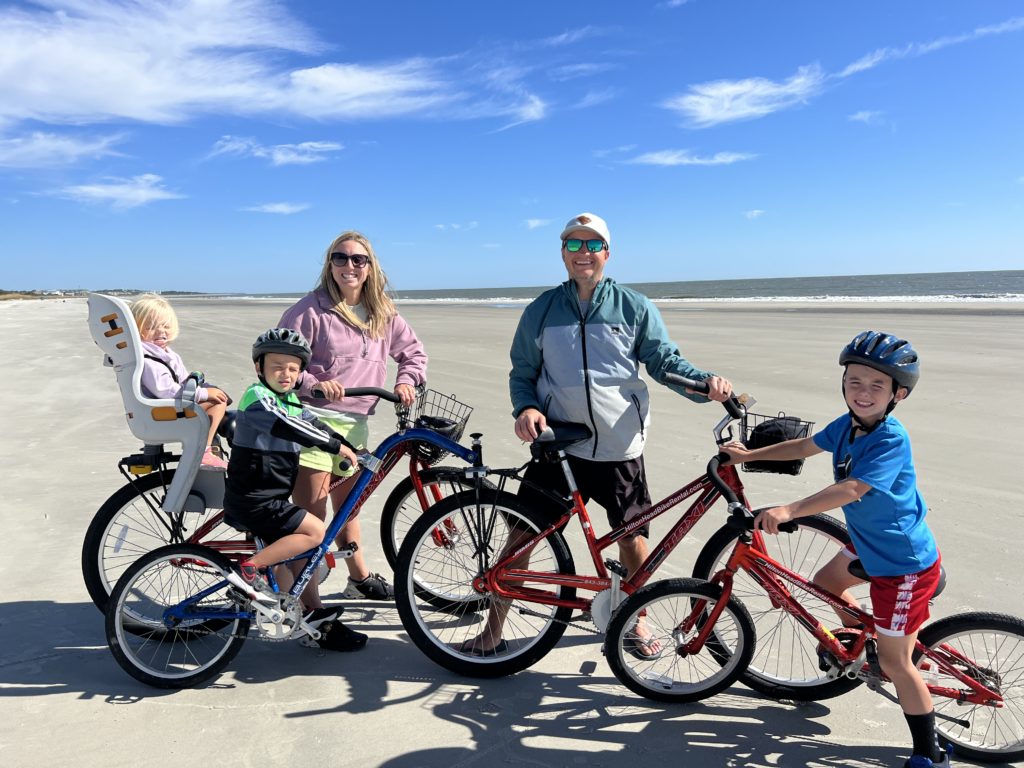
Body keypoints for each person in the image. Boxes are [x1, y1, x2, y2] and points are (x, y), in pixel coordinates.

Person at [461, 211, 734, 656]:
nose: (583, 253)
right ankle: (494, 628)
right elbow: (523, 372)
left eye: (592, 245)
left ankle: (636, 622)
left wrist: (707, 385)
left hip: (619, 443)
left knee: (631, 535)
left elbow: (664, 362)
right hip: (559, 446)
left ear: (607, 252)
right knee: (522, 534)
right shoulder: (542, 310)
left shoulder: (633, 306)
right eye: (573, 245)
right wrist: (526, 407)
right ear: (563, 254)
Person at [721, 331, 947, 768]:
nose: (863, 393)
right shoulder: (847, 426)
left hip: (902, 565)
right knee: (825, 584)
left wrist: (791, 509)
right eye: (855, 382)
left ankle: (930, 753)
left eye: (876, 386)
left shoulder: (889, 439)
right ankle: (863, 644)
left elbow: (851, 488)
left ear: (898, 394)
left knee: (899, 666)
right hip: (869, 547)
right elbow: (804, 446)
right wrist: (747, 456)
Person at [279, 230, 427, 601]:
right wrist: (314, 382)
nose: (349, 265)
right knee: (310, 520)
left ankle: (359, 580)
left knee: (348, 507)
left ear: (369, 266)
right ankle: (310, 606)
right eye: (340, 258)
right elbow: (281, 362)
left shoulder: (382, 311)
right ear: (329, 264)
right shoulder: (310, 310)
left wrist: (407, 381)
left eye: (358, 259)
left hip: (356, 425)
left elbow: (413, 354)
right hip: (311, 421)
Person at [223, 328, 367, 652]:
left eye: (292, 368)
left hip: (270, 498)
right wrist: (332, 446)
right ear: (258, 367)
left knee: (305, 552)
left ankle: (313, 618)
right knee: (316, 532)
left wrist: (346, 446)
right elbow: (287, 425)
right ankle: (247, 572)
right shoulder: (257, 398)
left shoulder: (288, 399)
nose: (285, 374)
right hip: (253, 500)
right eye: (277, 366)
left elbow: (313, 422)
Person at [131, 293, 229, 470]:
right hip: (161, 411)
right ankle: (204, 452)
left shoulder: (166, 354)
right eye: (152, 326)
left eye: (166, 326)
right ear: (136, 329)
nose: (161, 331)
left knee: (215, 394)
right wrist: (204, 394)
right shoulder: (148, 360)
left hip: (166, 407)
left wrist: (203, 388)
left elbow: (182, 379)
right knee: (217, 402)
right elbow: (167, 391)